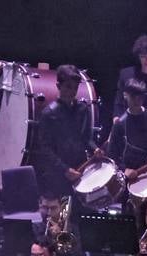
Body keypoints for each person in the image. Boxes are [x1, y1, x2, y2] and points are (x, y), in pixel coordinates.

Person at [32, 64, 97, 200]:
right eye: (68, 87)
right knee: (61, 209)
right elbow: (45, 149)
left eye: (75, 88)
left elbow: (86, 138)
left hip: (80, 169)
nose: (72, 92)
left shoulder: (82, 110)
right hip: (57, 174)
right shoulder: (49, 114)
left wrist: (95, 149)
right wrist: (65, 169)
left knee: (81, 208)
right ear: (58, 86)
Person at [105, 78, 147, 172]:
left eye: (140, 97)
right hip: (128, 172)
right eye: (133, 96)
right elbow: (112, 155)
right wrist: (124, 169)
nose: (137, 100)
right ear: (125, 95)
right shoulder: (119, 124)